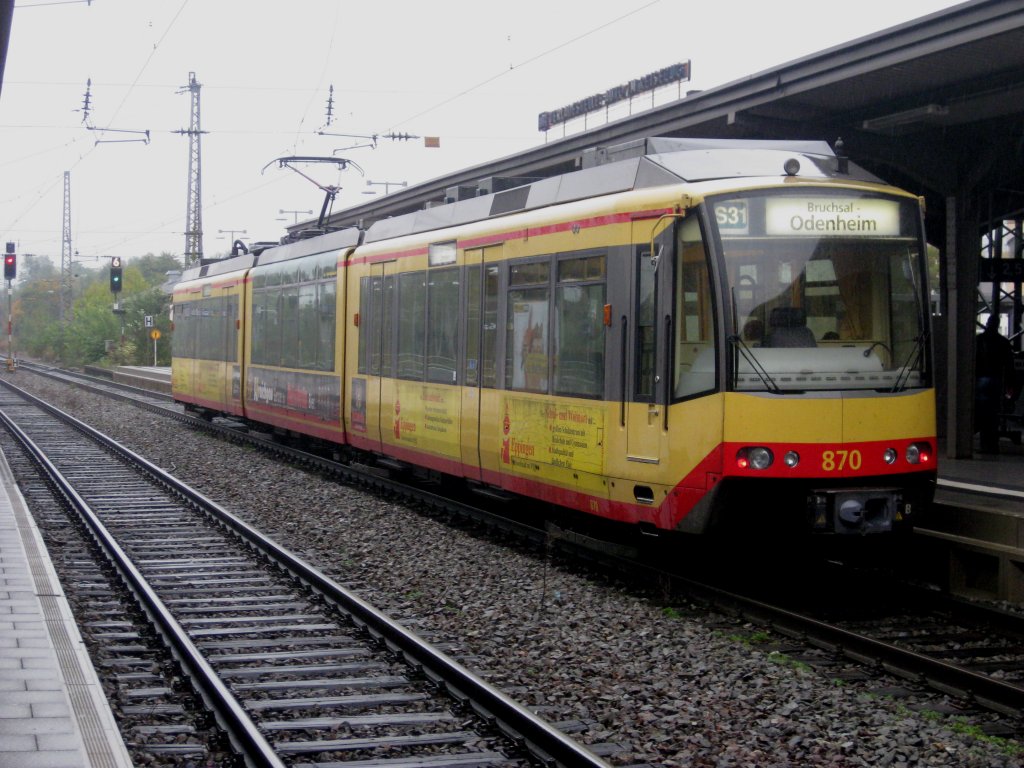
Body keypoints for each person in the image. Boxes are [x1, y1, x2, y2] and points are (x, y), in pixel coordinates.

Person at [975, 314, 1015, 453]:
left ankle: (984, 442)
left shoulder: (979, 340)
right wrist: (1010, 386)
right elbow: (1009, 366)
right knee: (993, 414)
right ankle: (992, 443)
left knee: (981, 412)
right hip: (996, 381)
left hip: (980, 380)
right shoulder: (1003, 342)